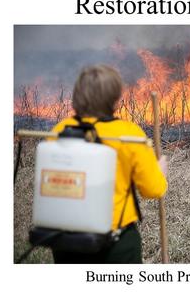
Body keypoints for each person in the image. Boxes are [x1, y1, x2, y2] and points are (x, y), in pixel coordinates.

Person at [50, 64, 168, 263]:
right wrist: (160, 171)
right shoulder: (129, 135)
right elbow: (153, 190)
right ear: (114, 99)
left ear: (76, 96)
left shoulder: (58, 131)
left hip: (65, 239)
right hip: (115, 242)